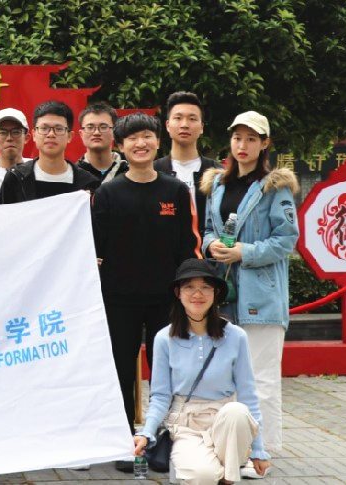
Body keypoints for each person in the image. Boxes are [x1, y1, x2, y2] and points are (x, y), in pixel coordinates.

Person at [91, 112, 201, 471]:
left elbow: (188, 247)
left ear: (158, 141)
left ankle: (164, 440)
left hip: (164, 300)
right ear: (121, 146)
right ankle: (124, 443)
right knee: (120, 372)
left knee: (167, 372)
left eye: (147, 136)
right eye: (132, 138)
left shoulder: (175, 191)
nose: (140, 143)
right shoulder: (108, 193)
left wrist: (189, 293)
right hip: (118, 299)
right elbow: (95, 248)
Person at [200, 111, 298, 478]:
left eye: (251, 139)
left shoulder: (275, 187)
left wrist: (246, 252)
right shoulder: (217, 184)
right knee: (225, 377)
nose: (243, 145)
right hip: (224, 293)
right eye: (237, 138)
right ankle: (231, 449)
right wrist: (212, 245)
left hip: (262, 297)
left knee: (261, 379)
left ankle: (262, 454)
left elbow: (286, 240)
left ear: (264, 143)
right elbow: (208, 229)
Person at [134, 258, 271, 484]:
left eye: (205, 287)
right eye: (189, 287)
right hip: (186, 425)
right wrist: (146, 433)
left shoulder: (236, 336)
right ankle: (222, 473)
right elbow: (160, 396)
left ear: (216, 293)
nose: (197, 294)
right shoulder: (164, 338)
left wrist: (258, 450)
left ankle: (227, 477)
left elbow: (248, 396)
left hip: (227, 423)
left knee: (237, 411)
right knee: (202, 476)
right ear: (178, 293)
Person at [0, 100, 99, 204]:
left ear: (69, 136)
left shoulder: (88, 183)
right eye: (44, 128)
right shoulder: (16, 179)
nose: (51, 134)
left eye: (58, 129)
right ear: (34, 134)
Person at [154, 92, 222, 236]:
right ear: (167, 125)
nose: (184, 125)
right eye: (178, 118)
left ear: (202, 127)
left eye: (192, 119)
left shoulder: (218, 172)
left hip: (207, 248)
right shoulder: (153, 171)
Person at [0, 108, 32, 201]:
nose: (9, 138)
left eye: (16, 132)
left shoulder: (36, 171)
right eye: (3, 133)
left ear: (26, 138)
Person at [75, 102, 128, 183]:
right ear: (81, 134)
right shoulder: (74, 176)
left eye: (103, 127)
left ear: (114, 132)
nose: (96, 133)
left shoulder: (129, 171)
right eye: (90, 127)